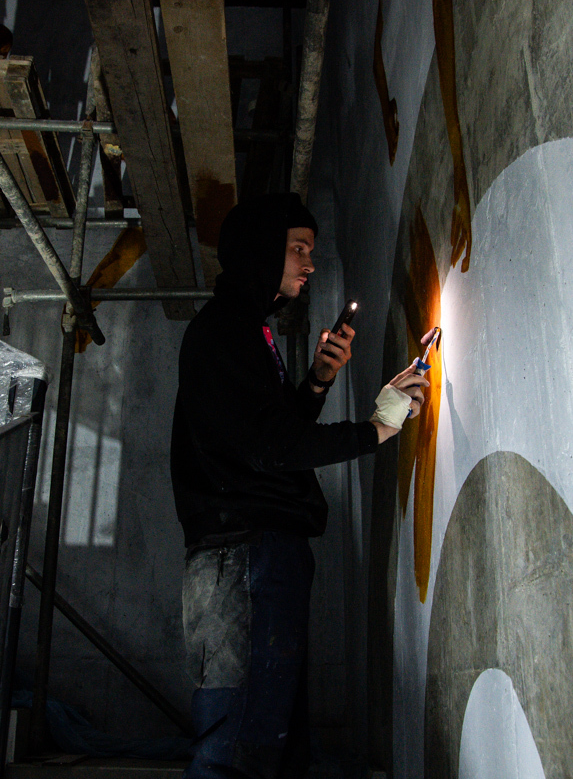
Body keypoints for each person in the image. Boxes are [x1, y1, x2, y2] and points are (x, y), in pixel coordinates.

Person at [170, 192, 428, 778]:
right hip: (244, 558)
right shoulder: (226, 330)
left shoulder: (244, 329)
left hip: (252, 556)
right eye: (298, 249)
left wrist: (317, 380)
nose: (309, 263)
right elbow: (273, 447)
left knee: (272, 747)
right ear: (262, 250)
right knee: (238, 752)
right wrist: (378, 427)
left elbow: (263, 439)